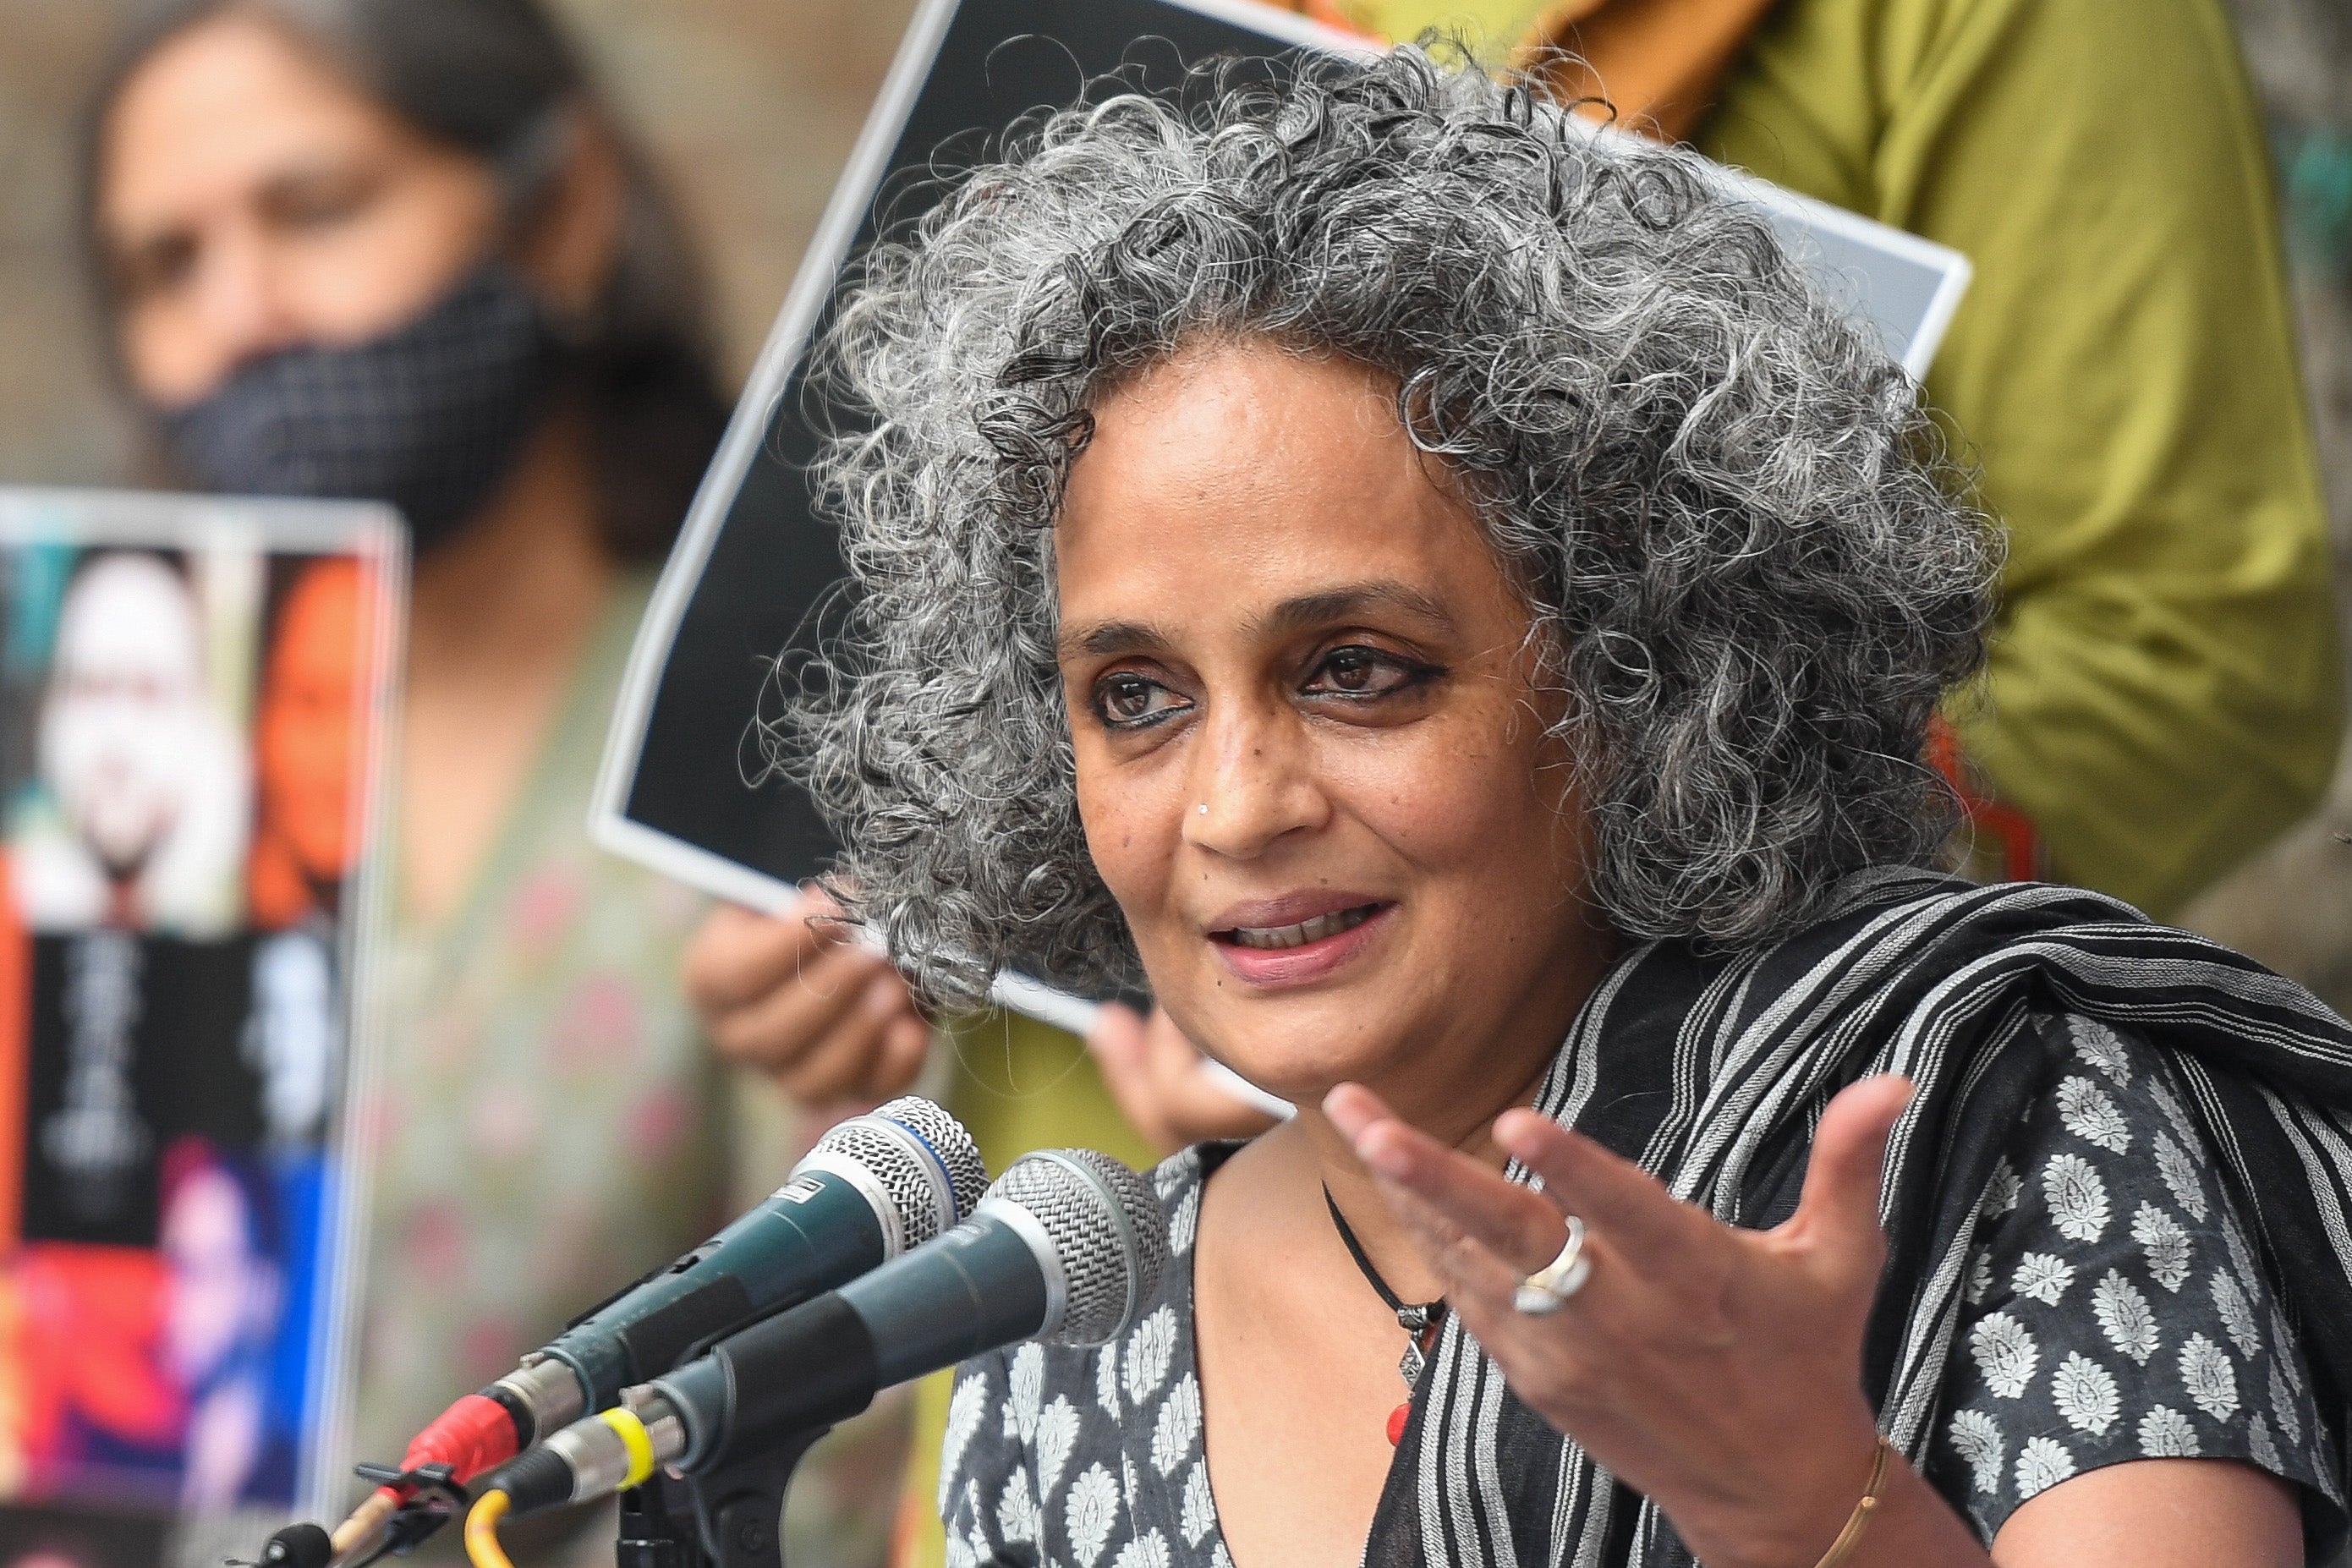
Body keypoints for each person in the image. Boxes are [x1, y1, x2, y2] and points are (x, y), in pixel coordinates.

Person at [803, 48, 2352, 1566]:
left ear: (1643, 674)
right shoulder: (1069, 1345)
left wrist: (1805, 1500)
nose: (1234, 804)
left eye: (1354, 669)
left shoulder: (1996, 1129)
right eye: (1133, 696)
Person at [78, 3, 906, 1559]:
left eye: (315, 208)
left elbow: (847, 1432)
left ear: (569, 210)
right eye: (163, 268)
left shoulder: (774, 737)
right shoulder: (107, 781)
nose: (242, 313)